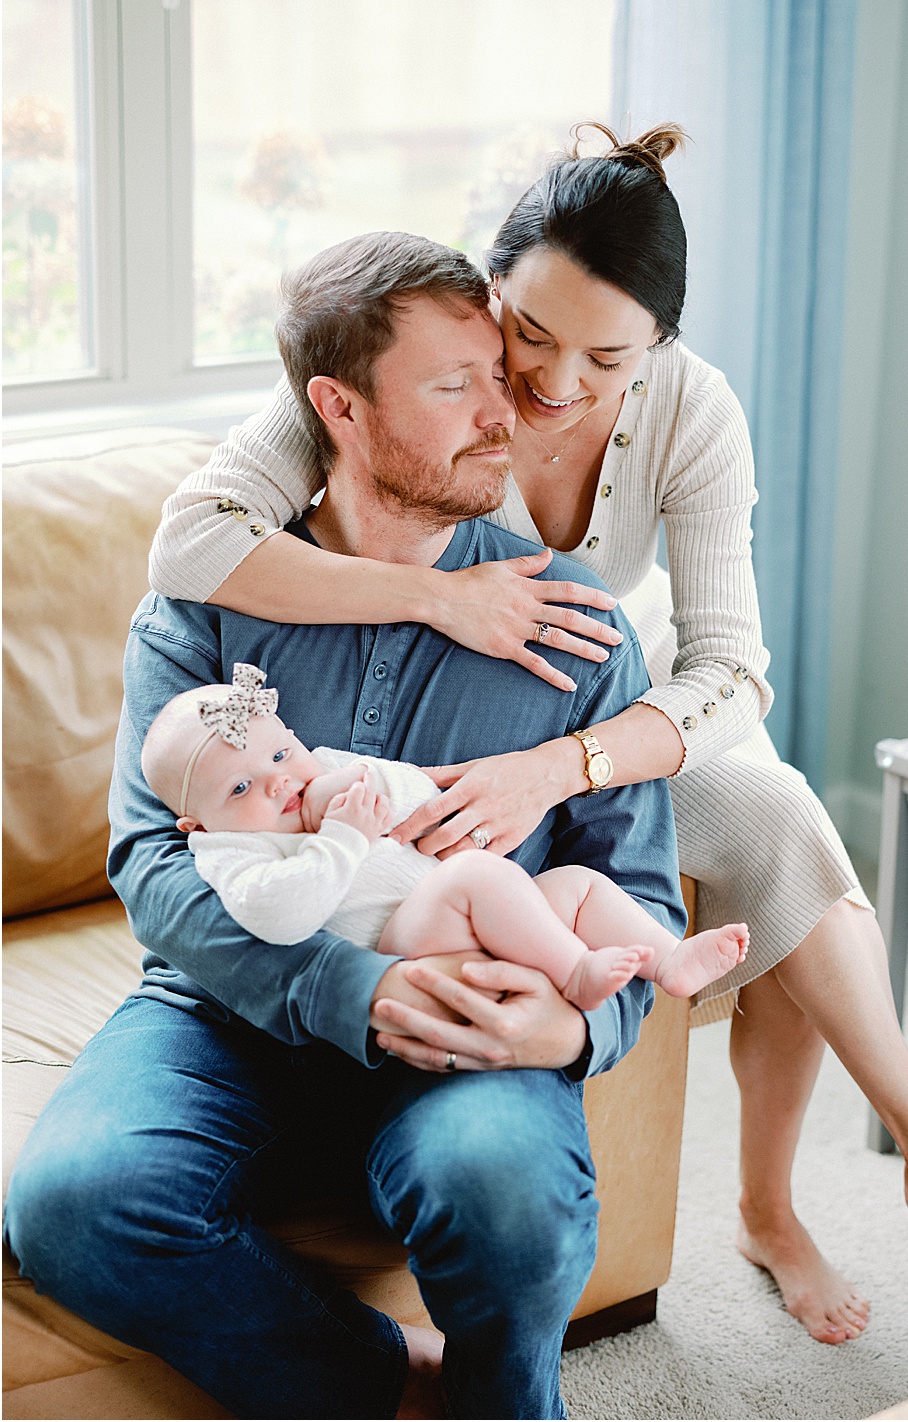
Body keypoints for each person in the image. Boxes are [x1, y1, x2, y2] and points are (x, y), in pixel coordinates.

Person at [146, 122, 908, 1339]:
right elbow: (189, 545)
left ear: (661, 345)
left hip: (612, 722)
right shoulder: (411, 377)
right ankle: (897, 1167)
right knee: (785, 833)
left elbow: (735, 672)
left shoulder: (692, 412)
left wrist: (559, 766)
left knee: (782, 824)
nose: (551, 382)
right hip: (474, 726)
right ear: (492, 291)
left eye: (607, 355)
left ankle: (855, 1178)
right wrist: (440, 596)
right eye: (529, 334)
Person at [3, 233, 688, 1421]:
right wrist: (346, 988)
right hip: (223, 1010)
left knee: (507, 1187)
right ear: (340, 406)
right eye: (453, 385)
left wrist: (579, 1028)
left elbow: (639, 889)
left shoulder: (579, 628)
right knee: (70, 1202)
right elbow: (152, 864)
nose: (506, 413)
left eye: (499, 372)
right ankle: (385, 1386)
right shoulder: (204, 602)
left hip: (475, 1008)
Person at [142, 665, 748, 1007]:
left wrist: (366, 784)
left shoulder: (328, 772)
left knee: (576, 886)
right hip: (400, 950)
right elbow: (279, 916)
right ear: (198, 825)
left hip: (474, 917)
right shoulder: (230, 853)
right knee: (474, 877)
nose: (277, 783)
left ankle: (670, 960)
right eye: (241, 790)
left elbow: (422, 803)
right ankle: (573, 973)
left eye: (279, 752)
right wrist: (341, 838)